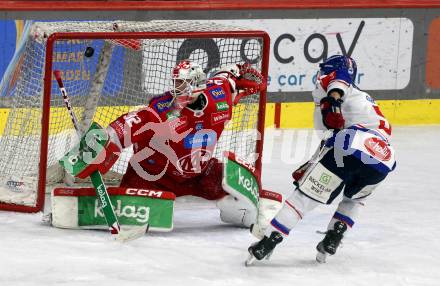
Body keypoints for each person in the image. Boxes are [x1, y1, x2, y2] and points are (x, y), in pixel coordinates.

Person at [74, 59, 278, 228]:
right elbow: (131, 123)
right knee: (131, 212)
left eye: (183, 83)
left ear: (198, 84)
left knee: (240, 187)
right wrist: (103, 146)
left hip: (199, 175)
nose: (177, 89)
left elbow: (229, 77)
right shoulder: (162, 109)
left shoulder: (220, 96)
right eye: (176, 83)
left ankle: (248, 213)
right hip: (153, 177)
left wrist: (237, 72)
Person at [246, 55, 397, 265]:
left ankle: (267, 243)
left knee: (302, 200)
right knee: (354, 200)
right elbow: (333, 137)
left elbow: (340, 78)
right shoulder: (361, 99)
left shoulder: (337, 86)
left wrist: (333, 99)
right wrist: (311, 164)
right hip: (383, 161)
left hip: (351, 147)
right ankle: (333, 239)